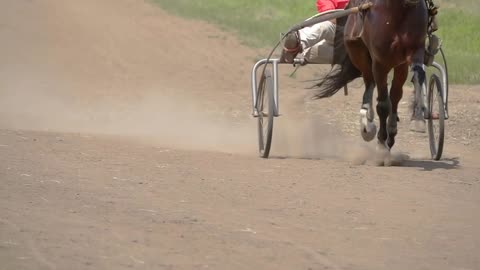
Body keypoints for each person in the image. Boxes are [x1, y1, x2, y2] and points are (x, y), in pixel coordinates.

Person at [281, 0, 349, 64]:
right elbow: (330, 18)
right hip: (341, 35)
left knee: (325, 26)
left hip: (355, 44)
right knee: (308, 51)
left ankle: (296, 48)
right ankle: (297, 43)